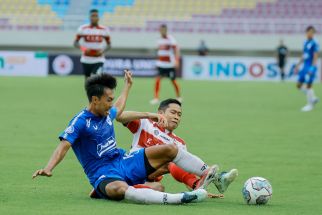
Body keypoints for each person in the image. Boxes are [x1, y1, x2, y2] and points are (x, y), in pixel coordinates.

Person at [32, 71, 225, 204]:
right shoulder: (80, 122)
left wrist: (128, 87)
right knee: (126, 189)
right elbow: (64, 146)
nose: (111, 105)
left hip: (122, 160)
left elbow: (120, 106)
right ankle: (180, 198)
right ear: (94, 100)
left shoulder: (107, 112)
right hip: (102, 173)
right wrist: (48, 168)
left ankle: (209, 174)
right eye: (108, 100)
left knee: (172, 150)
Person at [124, 98, 237, 196]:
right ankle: (217, 178)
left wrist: (201, 192)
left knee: (160, 187)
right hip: (133, 167)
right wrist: (148, 115)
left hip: (148, 179)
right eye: (173, 112)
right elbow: (121, 117)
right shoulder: (145, 123)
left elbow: (186, 173)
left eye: (179, 114)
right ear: (160, 112)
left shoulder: (179, 143)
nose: (176, 117)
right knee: (170, 157)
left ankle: (201, 184)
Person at [74, 9, 111, 78]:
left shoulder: (104, 29)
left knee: (95, 78)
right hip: (86, 59)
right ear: (89, 17)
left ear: (98, 18)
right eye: (92, 16)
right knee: (88, 81)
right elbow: (75, 43)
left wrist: (102, 51)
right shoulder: (82, 28)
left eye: (96, 16)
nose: (94, 18)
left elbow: (109, 45)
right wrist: (84, 49)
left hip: (99, 59)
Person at [150, 24, 182, 105]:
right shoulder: (158, 39)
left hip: (170, 65)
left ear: (166, 30)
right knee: (157, 80)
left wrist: (177, 60)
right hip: (161, 64)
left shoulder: (171, 39)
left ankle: (178, 96)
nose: (162, 31)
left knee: (173, 81)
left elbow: (176, 50)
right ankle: (156, 98)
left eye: (164, 30)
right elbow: (159, 50)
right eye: (161, 30)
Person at [294, 26, 320, 112]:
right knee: (298, 85)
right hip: (304, 66)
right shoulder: (305, 42)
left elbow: (315, 56)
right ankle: (312, 97)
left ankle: (310, 105)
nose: (311, 34)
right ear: (306, 32)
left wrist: (312, 67)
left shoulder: (314, 43)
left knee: (309, 85)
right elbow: (304, 55)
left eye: (313, 32)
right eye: (310, 32)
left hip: (310, 66)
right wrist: (298, 65)